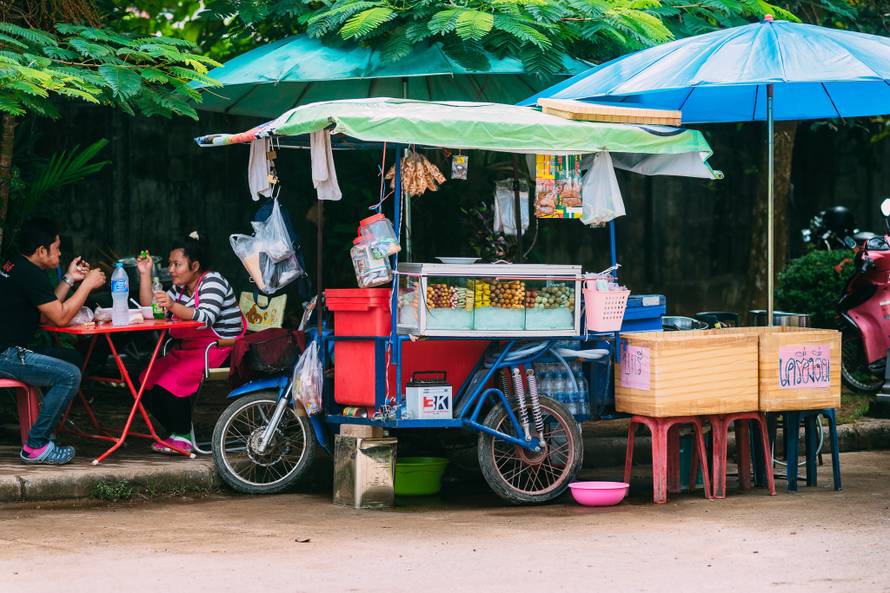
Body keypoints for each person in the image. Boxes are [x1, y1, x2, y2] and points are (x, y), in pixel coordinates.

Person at [0, 217, 106, 464]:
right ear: (41, 251)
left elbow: (47, 310)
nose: (59, 253)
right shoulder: (30, 274)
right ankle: (36, 445)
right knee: (69, 375)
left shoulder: (15, 265)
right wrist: (87, 285)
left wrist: (69, 278)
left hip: (9, 351)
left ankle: (47, 429)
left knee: (70, 359)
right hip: (6, 355)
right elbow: (59, 318)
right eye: (56, 248)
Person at [137, 231, 245, 454]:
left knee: (169, 381)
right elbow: (152, 310)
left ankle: (183, 435)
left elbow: (205, 317)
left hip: (218, 349)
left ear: (194, 266)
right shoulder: (180, 287)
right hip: (189, 350)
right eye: (169, 264)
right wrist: (145, 274)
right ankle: (177, 431)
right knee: (145, 379)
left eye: (177, 264)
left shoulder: (213, 281)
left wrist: (172, 306)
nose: (171, 269)